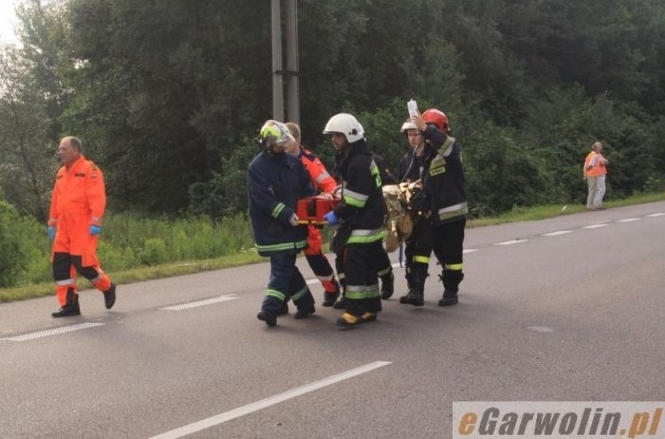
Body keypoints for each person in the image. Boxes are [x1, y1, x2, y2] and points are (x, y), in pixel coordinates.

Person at [248, 120, 317, 327]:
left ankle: (286, 306)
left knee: (284, 267)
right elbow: (262, 199)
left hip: (295, 227)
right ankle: (286, 306)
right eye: (279, 142)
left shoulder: (293, 163)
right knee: (284, 267)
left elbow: (307, 188)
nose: (283, 145)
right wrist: (286, 214)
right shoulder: (257, 167)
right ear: (268, 143)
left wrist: (311, 208)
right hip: (272, 229)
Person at [322, 113, 386, 328]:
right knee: (367, 264)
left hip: (365, 220)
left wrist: (336, 214)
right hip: (370, 217)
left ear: (350, 135)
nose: (334, 140)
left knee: (355, 264)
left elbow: (356, 201)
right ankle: (371, 306)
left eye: (338, 136)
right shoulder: (355, 157)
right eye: (333, 136)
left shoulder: (358, 162)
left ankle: (354, 311)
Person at [401, 109, 467, 307]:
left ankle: (451, 290)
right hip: (429, 213)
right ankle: (416, 291)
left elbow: (445, 145)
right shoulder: (422, 154)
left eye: (425, 129)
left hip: (451, 214)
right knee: (420, 249)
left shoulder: (450, 148)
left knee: (452, 255)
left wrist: (426, 129)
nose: (420, 134)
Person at [47, 136, 116, 317]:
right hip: (63, 226)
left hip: (83, 225)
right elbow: (56, 200)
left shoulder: (90, 170)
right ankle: (70, 304)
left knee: (83, 264)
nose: (60, 151)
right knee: (60, 265)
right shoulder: (61, 172)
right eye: (59, 148)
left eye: (63, 148)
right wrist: (52, 223)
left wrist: (95, 222)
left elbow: (97, 197)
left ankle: (107, 287)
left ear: (76, 150)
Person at [284, 122, 341, 307]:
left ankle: (331, 287)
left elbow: (330, 185)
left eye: (287, 139)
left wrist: (321, 201)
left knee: (314, 255)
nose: (283, 143)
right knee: (282, 260)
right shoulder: (276, 159)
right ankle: (282, 295)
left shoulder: (309, 161)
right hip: (284, 216)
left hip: (306, 216)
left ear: (297, 140)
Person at [394, 119, 437, 305]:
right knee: (410, 250)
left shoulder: (431, 156)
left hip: (427, 212)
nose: (412, 138)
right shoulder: (407, 159)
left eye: (415, 134)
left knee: (422, 249)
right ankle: (412, 288)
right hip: (410, 213)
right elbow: (397, 181)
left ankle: (418, 290)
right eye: (409, 135)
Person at [584, 141, 608, 210]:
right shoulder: (594, 155)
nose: (601, 149)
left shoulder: (589, 155)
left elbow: (585, 165)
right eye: (599, 147)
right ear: (596, 148)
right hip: (594, 174)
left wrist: (585, 173)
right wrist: (588, 169)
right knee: (593, 190)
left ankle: (592, 205)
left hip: (592, 174)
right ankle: (590, 205)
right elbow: (590, 165)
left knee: (593, 189)